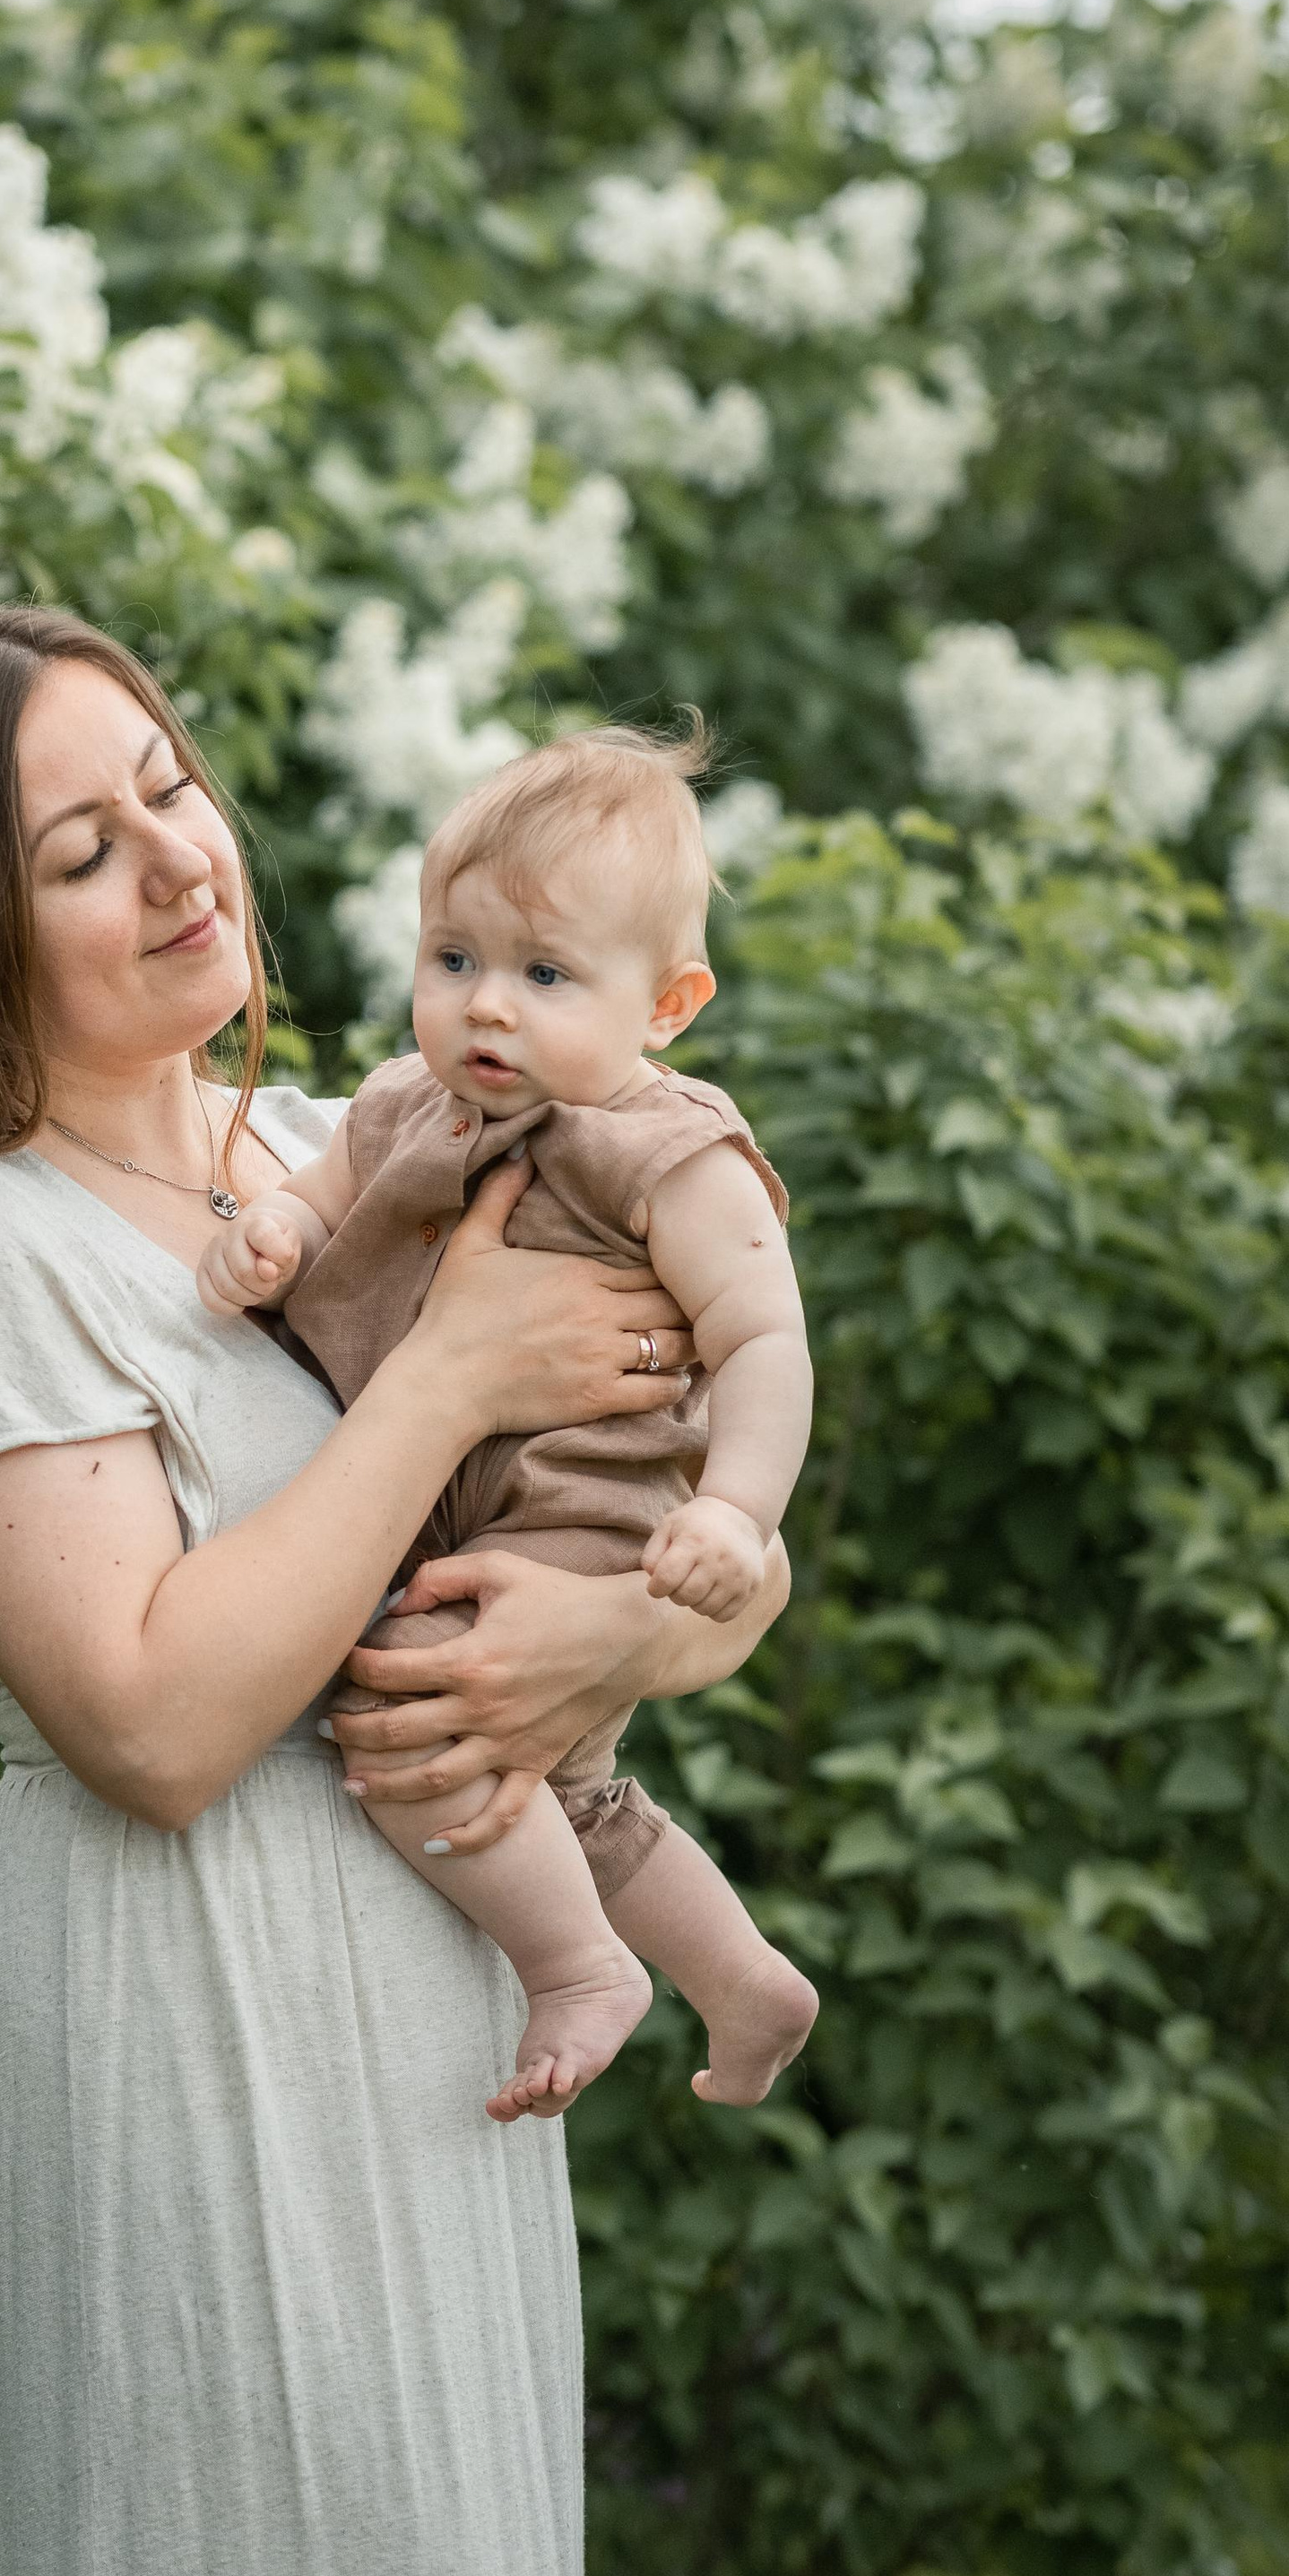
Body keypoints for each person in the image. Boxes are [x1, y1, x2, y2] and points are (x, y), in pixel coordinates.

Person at [0, 604, 791, 2576]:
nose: (178, 859)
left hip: (450, 2030)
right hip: (196, 2031)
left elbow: (668, 1505)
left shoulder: (360, 1155)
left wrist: (636, 1634)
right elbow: (155, 1722)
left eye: (167, 789)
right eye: (78, 851)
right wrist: (461, 1373)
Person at [197, 722, 819, 2123]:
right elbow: (319, 1188)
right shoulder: (403, 1106)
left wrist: (736, 1509)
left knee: (411, 1704)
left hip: (579, 1509)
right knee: (571, 1790)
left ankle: (579, 1968)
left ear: (667, 1006)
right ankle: (745, 1975)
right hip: (451, 1503)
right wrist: (274, 1241)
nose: (487, 1009)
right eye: (455, 960)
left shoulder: (666, 1150)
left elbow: (764, 1340)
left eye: (545, 976)